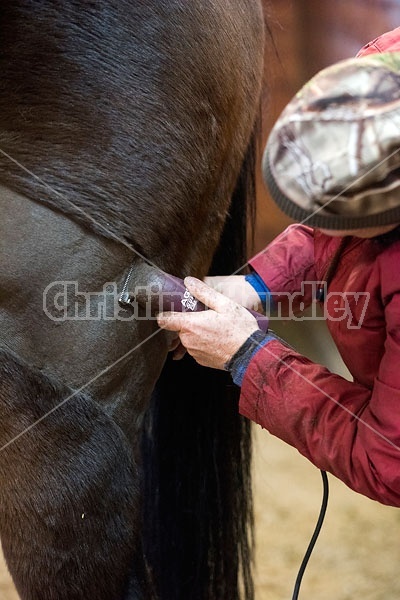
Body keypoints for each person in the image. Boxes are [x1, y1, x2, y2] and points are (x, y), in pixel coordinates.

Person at [157, 27, 400, 507]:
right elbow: (339, 217)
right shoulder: (381, 71)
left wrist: (247, 355)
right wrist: (254, 286)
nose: (326, 222)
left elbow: (388, 461)